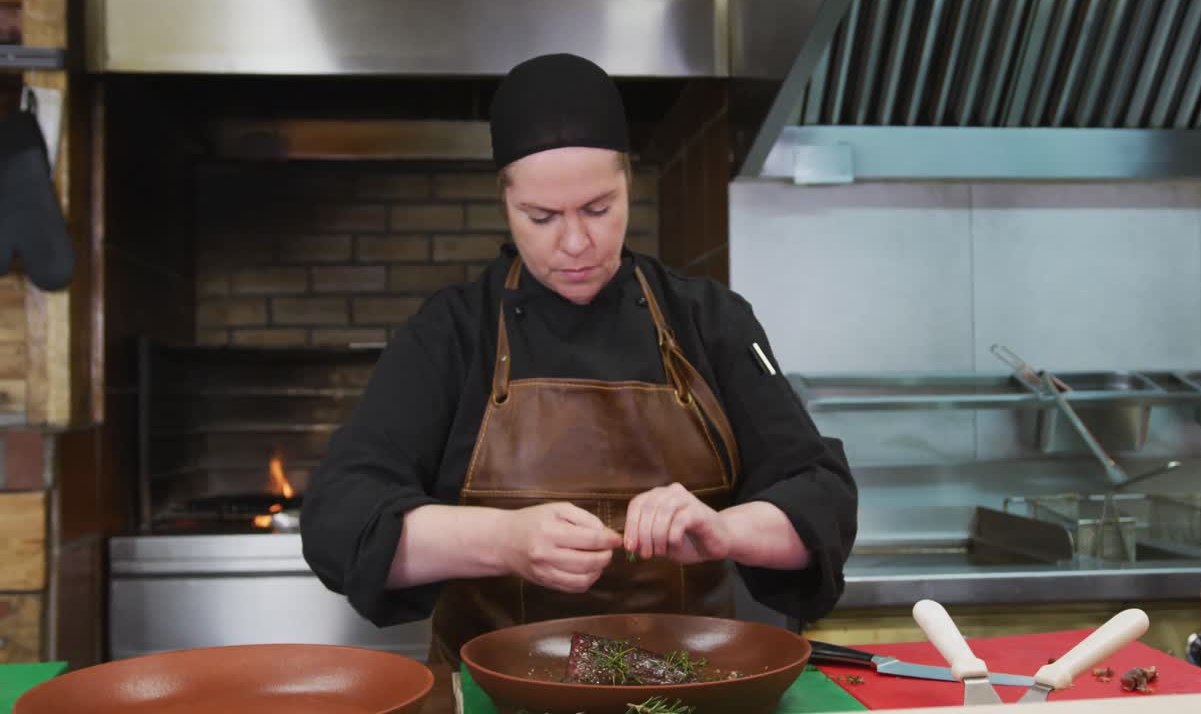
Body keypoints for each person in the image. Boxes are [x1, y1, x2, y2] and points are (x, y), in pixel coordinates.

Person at [300, 52, 858, 668]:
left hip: (686, 690)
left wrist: (723, 530)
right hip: (495, 696)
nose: (574, 243)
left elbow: (821, 495)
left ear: (629, 183)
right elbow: (338, 519)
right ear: (505, 203)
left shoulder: (708, 320)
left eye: (598, 208)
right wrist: (504, 541)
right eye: (540, 218)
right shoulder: (451, 332)